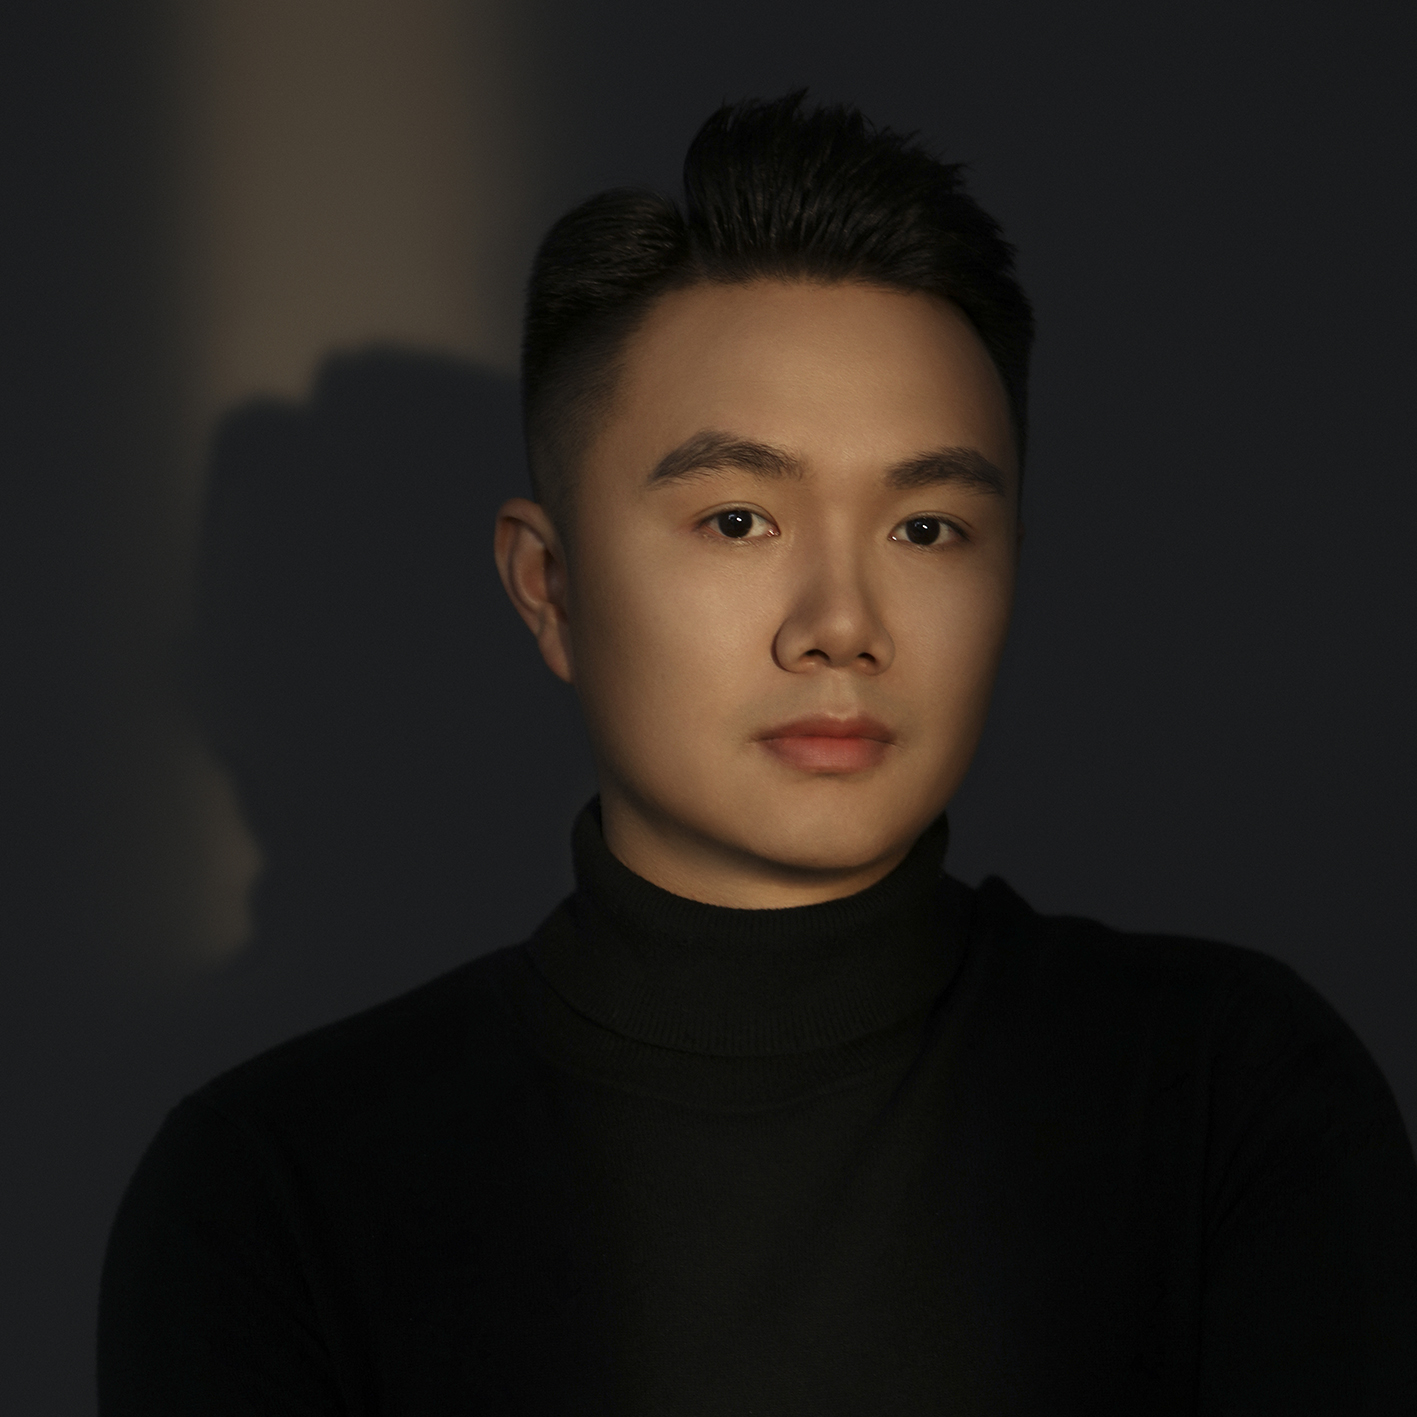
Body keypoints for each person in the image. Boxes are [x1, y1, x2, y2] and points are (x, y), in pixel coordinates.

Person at [98, 93, 1417, 1415]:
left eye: (926, 530)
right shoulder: (274, 1192)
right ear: (548, 585)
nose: (840, 625)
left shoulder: (1227, 1095)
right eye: (737, 520)